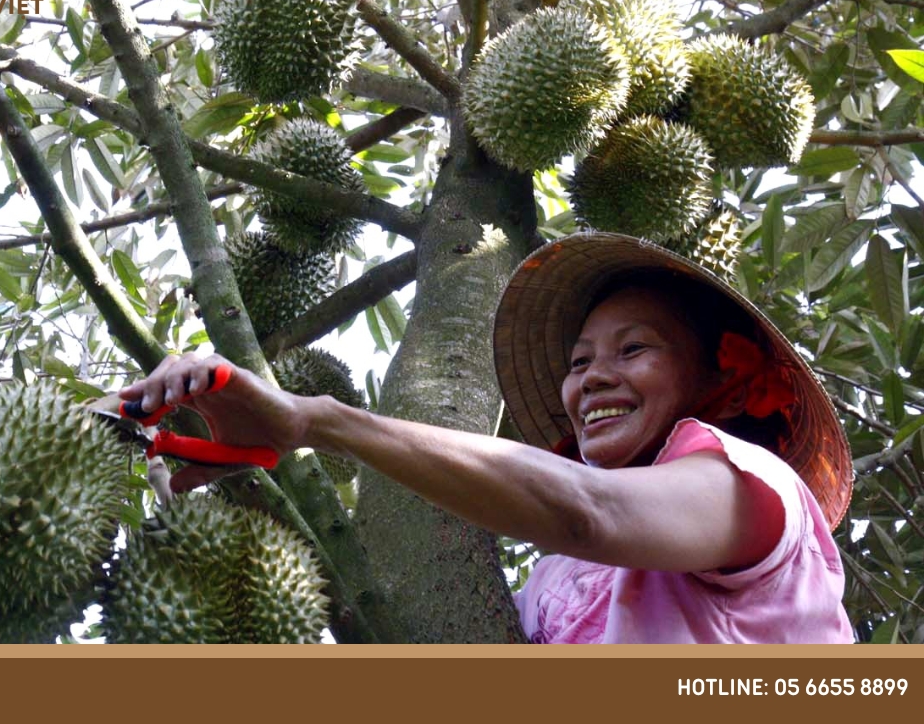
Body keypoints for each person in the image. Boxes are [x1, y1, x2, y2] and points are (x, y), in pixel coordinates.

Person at [119, 232, 855, 643]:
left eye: (634, 350)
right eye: (578, 362)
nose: (592, 379)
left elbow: (590, 510)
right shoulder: (550, 585)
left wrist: (316, 420)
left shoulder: (760, 492)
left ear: (718, 381)